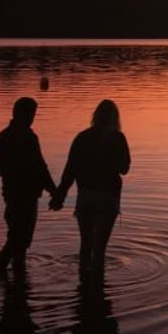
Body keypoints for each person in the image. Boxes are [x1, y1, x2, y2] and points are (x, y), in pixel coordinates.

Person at [50, 100, 131, 275]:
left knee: (85, 246)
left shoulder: (82, 137)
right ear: (115, 118)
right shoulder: (118, 137)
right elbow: (124, 169)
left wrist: (59, 196)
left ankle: (83, 288)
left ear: (95, 116)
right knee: (99, 250)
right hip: (108, 197)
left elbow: (69, 170)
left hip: (85, 196)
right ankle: (96, 290)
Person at [0, 97, 57, 274]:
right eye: (32, 114)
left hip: (10, 194)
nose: (33, 118)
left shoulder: (0, 138)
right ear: (25, 114)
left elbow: (0, 170)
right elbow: (39, 167)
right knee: (18, 240)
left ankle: (16, 282)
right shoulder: (28, 137)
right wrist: (53, 191)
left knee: (17, 239)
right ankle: (2, 273)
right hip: (26, 196)